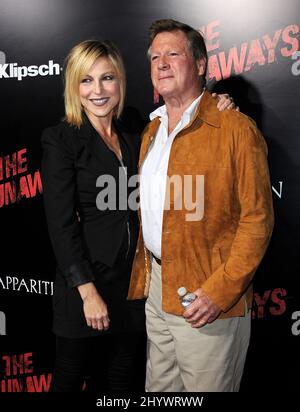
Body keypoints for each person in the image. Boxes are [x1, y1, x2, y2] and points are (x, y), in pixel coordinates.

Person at [41, 38, 236, 392]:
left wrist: (218, 104)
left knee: (122, 377)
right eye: (86, 80)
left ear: (121, 83)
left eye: (107, 78)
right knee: (69, 377)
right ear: (74, 87)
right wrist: (88, 293)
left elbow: (184, 117)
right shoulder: (61, 140)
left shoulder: (136, 127)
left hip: (134, 286)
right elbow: (60, 225)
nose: (98, 90)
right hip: (85, 286)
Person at [127, 19, 274, 392]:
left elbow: (257, 220)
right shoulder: (152, 131)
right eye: (155, 57)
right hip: (158, 287)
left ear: (202, 64)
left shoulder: (236, 130)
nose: (161, 63)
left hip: (207, 291)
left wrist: (220, 291)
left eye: (173, 54)